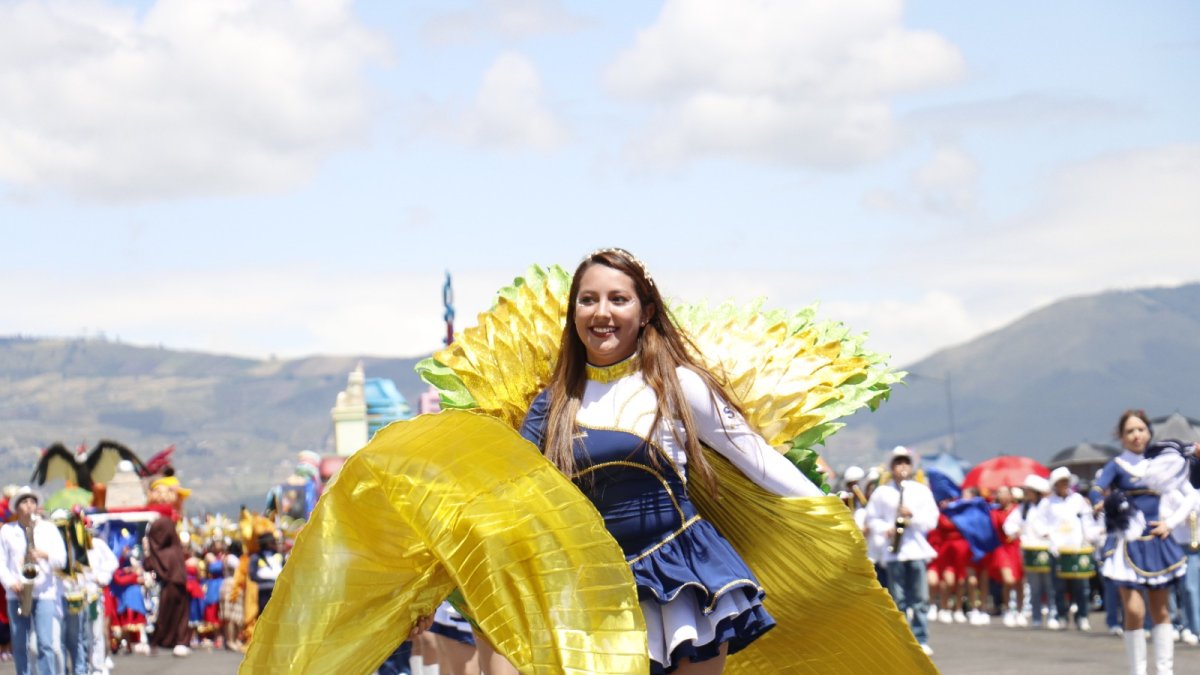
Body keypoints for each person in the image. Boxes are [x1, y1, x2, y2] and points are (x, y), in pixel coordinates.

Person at [518, 248, 825, 673]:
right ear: (573, 312)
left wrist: (824, 508)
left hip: (685, 576)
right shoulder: (549, 405)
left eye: (618, 299)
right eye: (588, 300)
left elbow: (755, 456)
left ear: (645, 312)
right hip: (594, 589)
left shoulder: (677, 385)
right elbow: (511, 498)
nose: (601, 312)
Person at [1093, 409, 1199, 675]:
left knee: (1161, 610)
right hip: (1126, 542)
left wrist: (1170, 523)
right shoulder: (1117, 465)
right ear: (1121, 436)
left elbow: (1191, 495)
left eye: (1140, 429)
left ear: (1149, 432)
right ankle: (1137, 671)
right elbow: (1097, 490)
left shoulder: (1163, 462)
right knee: (1134, 611)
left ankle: (1165, 671)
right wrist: (1099, 504)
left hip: (1156, 541)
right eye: (1130, 431)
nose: (1136, 435)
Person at [865, 447, 939, 655]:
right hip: (894, 550)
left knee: (920, 597)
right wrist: (884, 529)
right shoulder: (882, 492)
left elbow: (932, 520)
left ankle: (921, 637)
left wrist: (912, 516)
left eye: (906, 462)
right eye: (898, 463)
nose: (902, 467)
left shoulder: (921, 490)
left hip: (915, 549)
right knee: (898, 597)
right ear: (892, 467)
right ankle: (903, 637)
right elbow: (872, 518)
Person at [0, 486, 66, 675]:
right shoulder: (7, 531)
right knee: (20, 643)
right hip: (17, 593)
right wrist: (11, 582)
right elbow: (1, 562)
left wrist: (44, 555)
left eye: (32, 502)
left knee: (45, 643)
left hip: (44, 591)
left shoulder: (49, 529)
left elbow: (62, 560)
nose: (29, 506)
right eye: (24, 502)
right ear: (17, 508)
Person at [1037, 467, 1095, 632]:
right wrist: (1046, 534)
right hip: (1058, 549)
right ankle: (1062, 615)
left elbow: (1087, 518)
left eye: (1065, 482)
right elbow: (1039, 522)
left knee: (1081, 586)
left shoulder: (1077, 499)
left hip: (1076, 547)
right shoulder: (1048, 503)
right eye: (1060, 482)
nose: (1063, 485)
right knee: (1059, 587)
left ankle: (1082, 616)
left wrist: (1088, 537)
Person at [142, 517, 190, 657]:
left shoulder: (164, 551)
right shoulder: (174, 548)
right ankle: (174, 639)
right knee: (172, 613)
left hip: (172, 585)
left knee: (169, 613)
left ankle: (170, 639)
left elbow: (151, 565)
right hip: (173, 584)